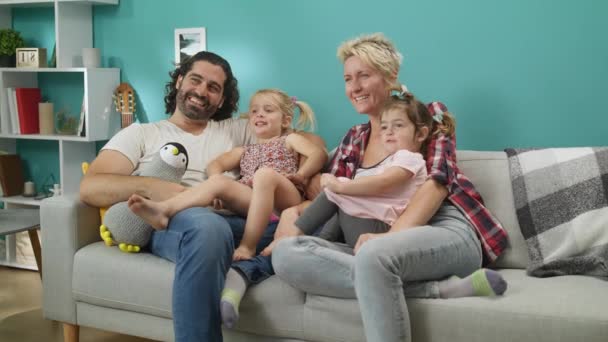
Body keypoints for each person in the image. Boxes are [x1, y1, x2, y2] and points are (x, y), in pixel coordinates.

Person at [269, 33, 509, 342]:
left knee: (373, 257)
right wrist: (296, 219)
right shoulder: (353, 139)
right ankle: (435, 290)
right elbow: (339, 199)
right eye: (347, 79)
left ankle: (382, 266)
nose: (353, 87)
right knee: (287, 254)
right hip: (374, 247)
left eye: (363, 76)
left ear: (390, 76)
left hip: (442, 231)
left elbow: (437, 185)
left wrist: (386, 242)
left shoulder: (426, 116)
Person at [79, 51, 325, 341]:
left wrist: (309, 180)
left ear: (221, 100)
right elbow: (90, 187)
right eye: (195, 80)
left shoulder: (238, 129)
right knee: (209, 228)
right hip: (185, 221)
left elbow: (309, 143)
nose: (201, 91)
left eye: (213, 87)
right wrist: (154, 188)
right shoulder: (143, 133)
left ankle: (243, 269)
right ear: (180, 81)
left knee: (312, 226)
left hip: (249, 216)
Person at [128, 88, 326, 261]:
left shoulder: (289, 140)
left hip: (285, 199)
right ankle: (164, 210)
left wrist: (302, 174)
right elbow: (215, 164)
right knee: (220, 181)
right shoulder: (244, 150)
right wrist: (218, 187)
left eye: (268, 110)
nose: (259, 115)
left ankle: (248, 245)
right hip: (254, 200)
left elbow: (318, 154)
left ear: (286, 120)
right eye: (254, 111)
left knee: (265, 175)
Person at [295, 94, 431, 247]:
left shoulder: (410, 158)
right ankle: (322, 242)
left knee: (336, 192)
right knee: (340, 196)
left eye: (398, 125)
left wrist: (341, 186)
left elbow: (384, 182)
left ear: (421, 134)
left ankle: (296, 233)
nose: (389, 131)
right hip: (371, 223)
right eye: (384, 126)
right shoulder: (395, 159)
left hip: (379, 227)